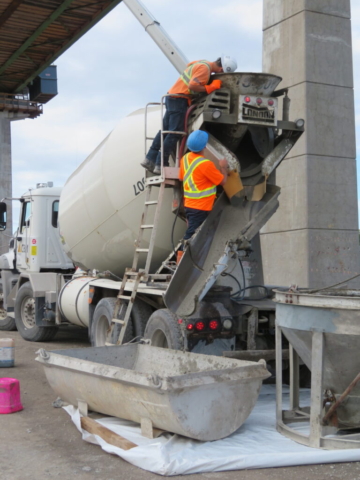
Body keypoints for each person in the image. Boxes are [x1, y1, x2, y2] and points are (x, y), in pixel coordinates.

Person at [141, 55, 237, 175]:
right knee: (175, 132)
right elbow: (192, 85)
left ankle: (149, 158)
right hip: (179, 99)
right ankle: (161, 164)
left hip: (172, 96)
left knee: (165, 131)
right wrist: (210, 87)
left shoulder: (202, 63)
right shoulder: (205, 69)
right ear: (222, 69)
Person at [178, 130, 228, 260]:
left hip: (189, 204)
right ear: (205, 146)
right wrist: (223, 167)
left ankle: (185, 258)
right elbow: (223, 181)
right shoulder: (205, 164)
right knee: (191, 234)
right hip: (200, 207)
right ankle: (181, 260)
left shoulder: (185, 159)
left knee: (194, 232)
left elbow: (181, 177)